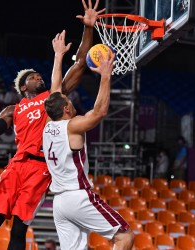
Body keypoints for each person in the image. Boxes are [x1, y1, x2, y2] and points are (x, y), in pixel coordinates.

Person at [0, 1, 105, 249]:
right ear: (23, 86)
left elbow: (79, 64)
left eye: (39, 74)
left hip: (40, 169)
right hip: (16, 165)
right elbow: (1, 125)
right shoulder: (13, 109)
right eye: (33, 77)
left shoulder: (53, 99)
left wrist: (88, 29)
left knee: (19, 229)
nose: (39, 77)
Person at [42, 51, 134, 250]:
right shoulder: (72, 126)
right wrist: (106, 76)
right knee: (124, 236)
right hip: (77, 196)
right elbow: (100, 111)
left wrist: (58, 57)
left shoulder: (48, 125)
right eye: (70, 103)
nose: (73, 105)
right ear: (66, 109)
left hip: (59, 203)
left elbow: (55, 91)